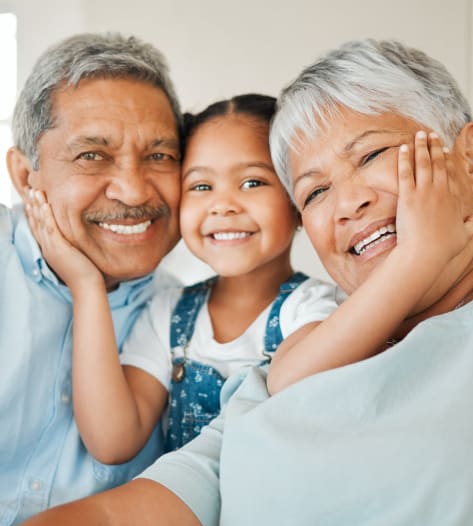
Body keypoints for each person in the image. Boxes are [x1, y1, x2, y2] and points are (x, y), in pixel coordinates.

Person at [1, 38, 473, 526]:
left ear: (472, 161)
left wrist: (416, 258)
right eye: (315, 191)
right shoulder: (257, 377)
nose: (348, 202)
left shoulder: (312, 321)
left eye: (371, 155)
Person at [24, 93, 338, 463]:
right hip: (185, 517)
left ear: (297, 197)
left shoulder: (316, 309)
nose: (223, 205)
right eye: (201, 187)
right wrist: (87, 286)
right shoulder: (170, 312)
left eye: (252, 182)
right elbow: (113, 442)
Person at [0, 32, 183, 526]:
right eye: (92, 156)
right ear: (24, 174)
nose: (132, 189)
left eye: (160, 156)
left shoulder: (186, 317)